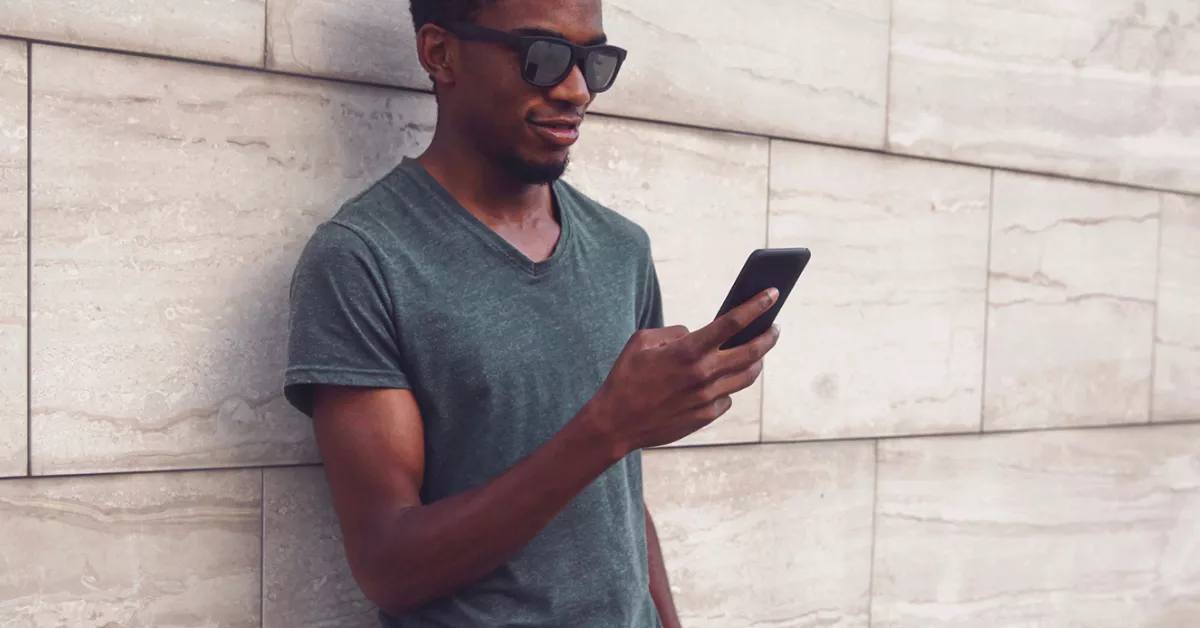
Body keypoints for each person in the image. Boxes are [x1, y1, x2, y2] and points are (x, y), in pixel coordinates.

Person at [282, 0, 782, 626]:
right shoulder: (364, 258)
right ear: (441, 53)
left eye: (595, 61)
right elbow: (388, 564)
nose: (577, 90)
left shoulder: (621, 247)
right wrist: (607, 428)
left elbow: (617, 497)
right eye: (541, 57)